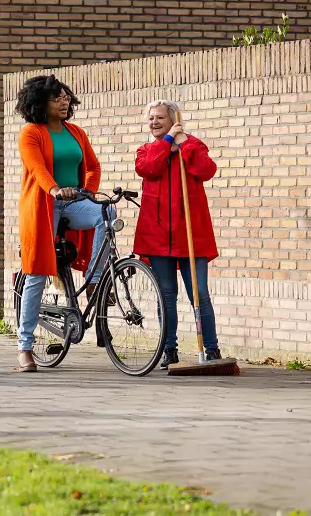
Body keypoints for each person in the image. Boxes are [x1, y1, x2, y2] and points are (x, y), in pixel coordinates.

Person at [14, 75, 111, 372]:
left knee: (106, 214)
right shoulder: (31, 133)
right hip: (43, 204)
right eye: (57, 98)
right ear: (40, 103)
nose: (64, 101)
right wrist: (55, 189)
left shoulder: (76, 133)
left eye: (66, 97)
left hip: (74, 202)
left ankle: (94, 283)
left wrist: (89, 192)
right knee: (37, 273)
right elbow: (37, 167)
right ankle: (25, 347)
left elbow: (92, 166)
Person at [134, 100, 224, 368]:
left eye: (160, 118)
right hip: (158, 235)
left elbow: (206, 170)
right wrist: (168, 141)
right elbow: (149, 169)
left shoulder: (193, 145)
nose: (154, 123)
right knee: (166, 296)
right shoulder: (146, 150)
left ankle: (212, 349)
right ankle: (169, 349)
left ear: (174, 119)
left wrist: (185, 144)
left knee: (200, 295)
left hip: (191, 237)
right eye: (150, 118)